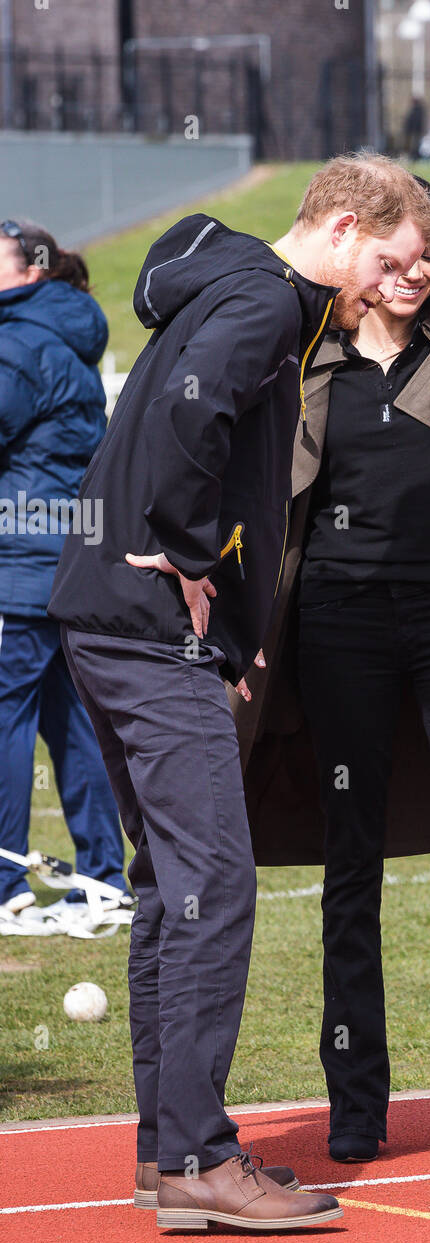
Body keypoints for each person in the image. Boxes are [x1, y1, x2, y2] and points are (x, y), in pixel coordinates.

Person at [48, 153, 430, 1233]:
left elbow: (179, 324)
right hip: (142, 623)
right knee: (215, 884)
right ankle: (197, 1157)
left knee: (175, 886)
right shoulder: (267, 301)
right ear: (350, 225)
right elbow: (191, 411)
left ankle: (164, 1150)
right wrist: (186, 556)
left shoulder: (229, 273)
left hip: (100, 615)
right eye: (395, 261)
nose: (390, 287)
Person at [231, 181, 430, 1167]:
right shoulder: (310, 357)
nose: (418, 276)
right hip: (339, 629)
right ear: (363, 253)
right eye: (403, 258)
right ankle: (356, 1107)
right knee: (351, 867)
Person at [0, 219, 130, 936]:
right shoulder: (64, 330)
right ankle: (102, 878)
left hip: (19, 558)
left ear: (30, 271)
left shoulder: (17, 342)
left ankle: (6, 886)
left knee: (7, 718)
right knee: (72, 720)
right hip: (68, 559)